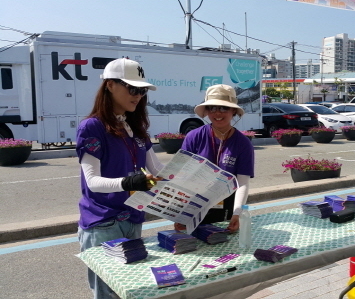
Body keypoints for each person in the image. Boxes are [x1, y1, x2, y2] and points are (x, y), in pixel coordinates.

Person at [76, 58, 164, 299]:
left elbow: (158, 169)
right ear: (110, 85)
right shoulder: (92, 127)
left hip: (134, 218)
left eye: (142, 90)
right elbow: (93, 181)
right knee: (107, 293)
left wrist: (195, 176)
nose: (138, 95)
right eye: (132, 88)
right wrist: (128, 183)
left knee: (130, 289)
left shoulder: (136, 128)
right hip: (103, 222)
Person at [174, 84, 255, 232]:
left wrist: (237, 213)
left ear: (234, 111)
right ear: (206, 111)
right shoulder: (194, 137)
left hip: (227, 209)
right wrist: (180, 213)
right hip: (194, 207)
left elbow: (242, 183)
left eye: (224, 108)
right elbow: (181, 177)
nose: (217, 113)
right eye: (212, 108)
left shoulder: (243, 144)